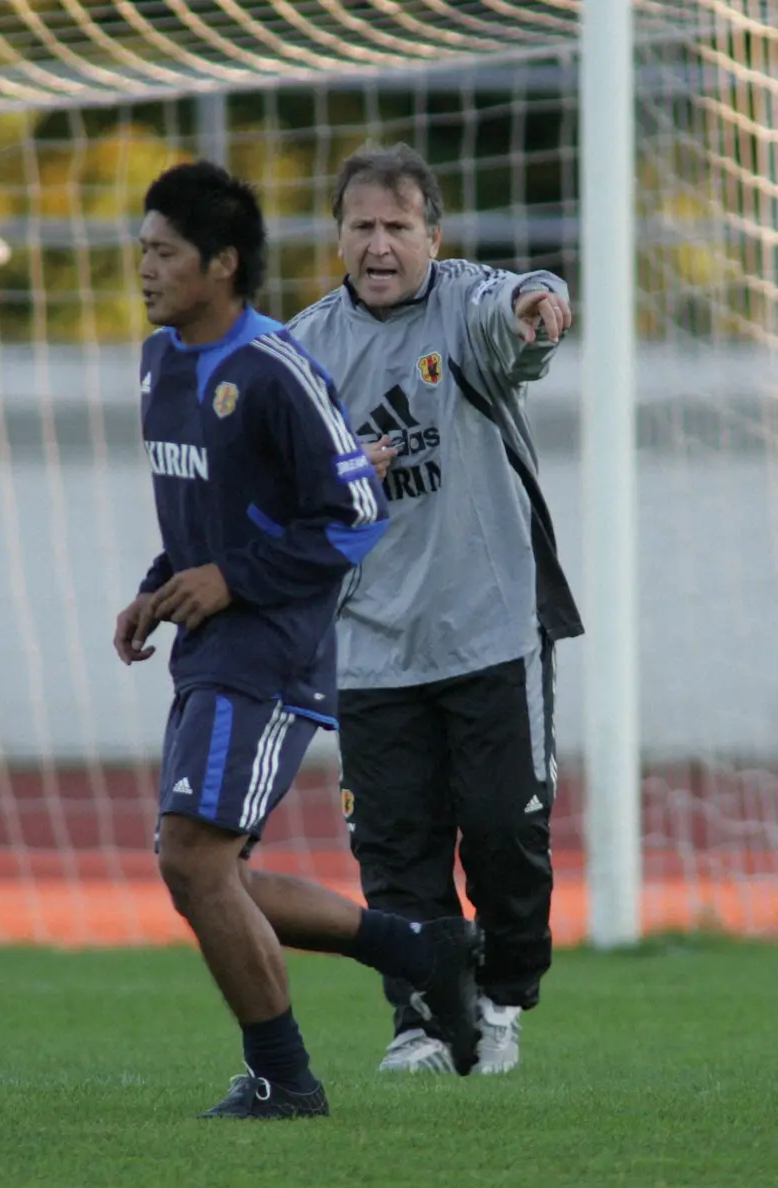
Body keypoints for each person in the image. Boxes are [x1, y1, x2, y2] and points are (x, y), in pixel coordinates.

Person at [113, 160, 483, 1120]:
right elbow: (212, 511)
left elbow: (354, 512)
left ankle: (286, 1078)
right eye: (141, 248)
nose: (142, 267)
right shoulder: (160, 361)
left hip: (272, 655)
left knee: (192, 863)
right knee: (210, 871)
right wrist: (159, 586)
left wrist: (229, 580)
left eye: (163, 252)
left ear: (222, 265)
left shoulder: (273, 366)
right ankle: (415, 946)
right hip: (212, 649)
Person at [288, 143, 583, 1077]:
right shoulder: (302, 350)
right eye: (361, 227)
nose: (379, 245)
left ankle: (501, 996)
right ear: (337, 236)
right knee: (395, 849)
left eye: (397, 227)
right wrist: (336, 479)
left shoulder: (461, 302)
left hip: (490, 629)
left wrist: (541, 309)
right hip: (370, 646)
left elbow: (520, 301)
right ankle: (419, 1018)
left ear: (432, 236)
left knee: (502, 832)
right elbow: (277, 489)